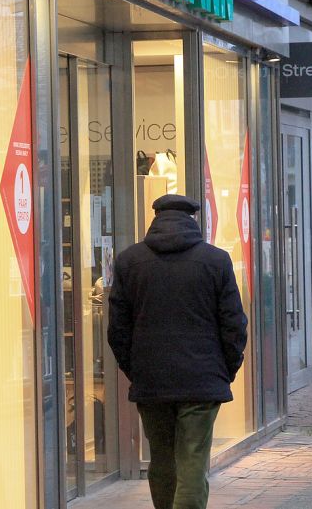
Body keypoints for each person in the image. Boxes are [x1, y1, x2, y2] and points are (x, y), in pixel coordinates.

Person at [108, 194, 247, 509]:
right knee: (192, 461)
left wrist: (136, 368)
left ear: (155, 217)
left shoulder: (130, 261)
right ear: (193, 219)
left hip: (152, 381)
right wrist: (226, 369)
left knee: (162, 459)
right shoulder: (215, 260)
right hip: (202, 380)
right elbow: (234, 324)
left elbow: (118, 329)